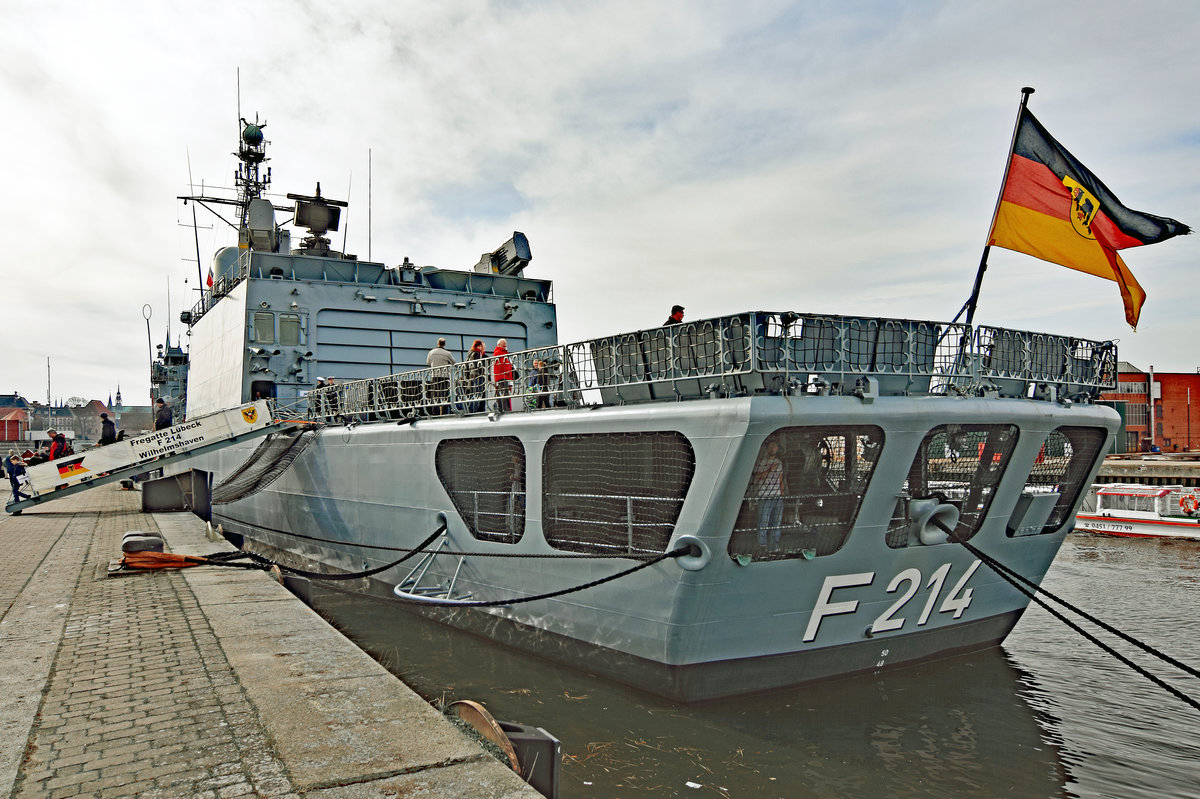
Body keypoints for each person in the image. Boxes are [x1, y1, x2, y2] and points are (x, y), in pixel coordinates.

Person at [750, 440, 786, 555]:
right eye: (771, 446)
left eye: (774, 447)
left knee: (776, 523)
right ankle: (762, 547)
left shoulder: (779, 462)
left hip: (777, 497)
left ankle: (774, 547)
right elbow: (757, 478)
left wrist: (782, 493)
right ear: (767, 448)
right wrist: (770, 469)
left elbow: (780, 479)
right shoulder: (761, 462)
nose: (772, 449)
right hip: (765, 497)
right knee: (763, 523)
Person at [426, 337, 457, 415]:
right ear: (444, 344)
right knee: (445, 394)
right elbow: (454, 363)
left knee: (435, 394)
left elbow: (428, 362)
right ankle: (444, 412)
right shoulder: (447, 353)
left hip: (435, 376)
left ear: (438, 343)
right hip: (445, 376)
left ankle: (435, 412)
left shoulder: (431, 352)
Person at [464, 339, 487, 413]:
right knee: (477, 394)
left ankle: (471, 410)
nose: (482, 347)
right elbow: (477, 365)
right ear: (478, 346)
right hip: (477, 376)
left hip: (471, 376)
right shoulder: (477, 353)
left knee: (472, 394)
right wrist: (482, 372)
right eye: (481, 346)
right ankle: (475, 411)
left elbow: (466, 365)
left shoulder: (470, 353)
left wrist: (467, 376)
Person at [492, 339, 513, 411]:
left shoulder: (501, 352)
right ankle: (505, 409)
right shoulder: (499, 353)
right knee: (504, 394)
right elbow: (503, 366)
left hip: (502, 377)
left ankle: (502, 408)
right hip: (502, 377)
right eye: (503, 344)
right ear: (499, 345)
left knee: (502, 394)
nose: (505, 344)